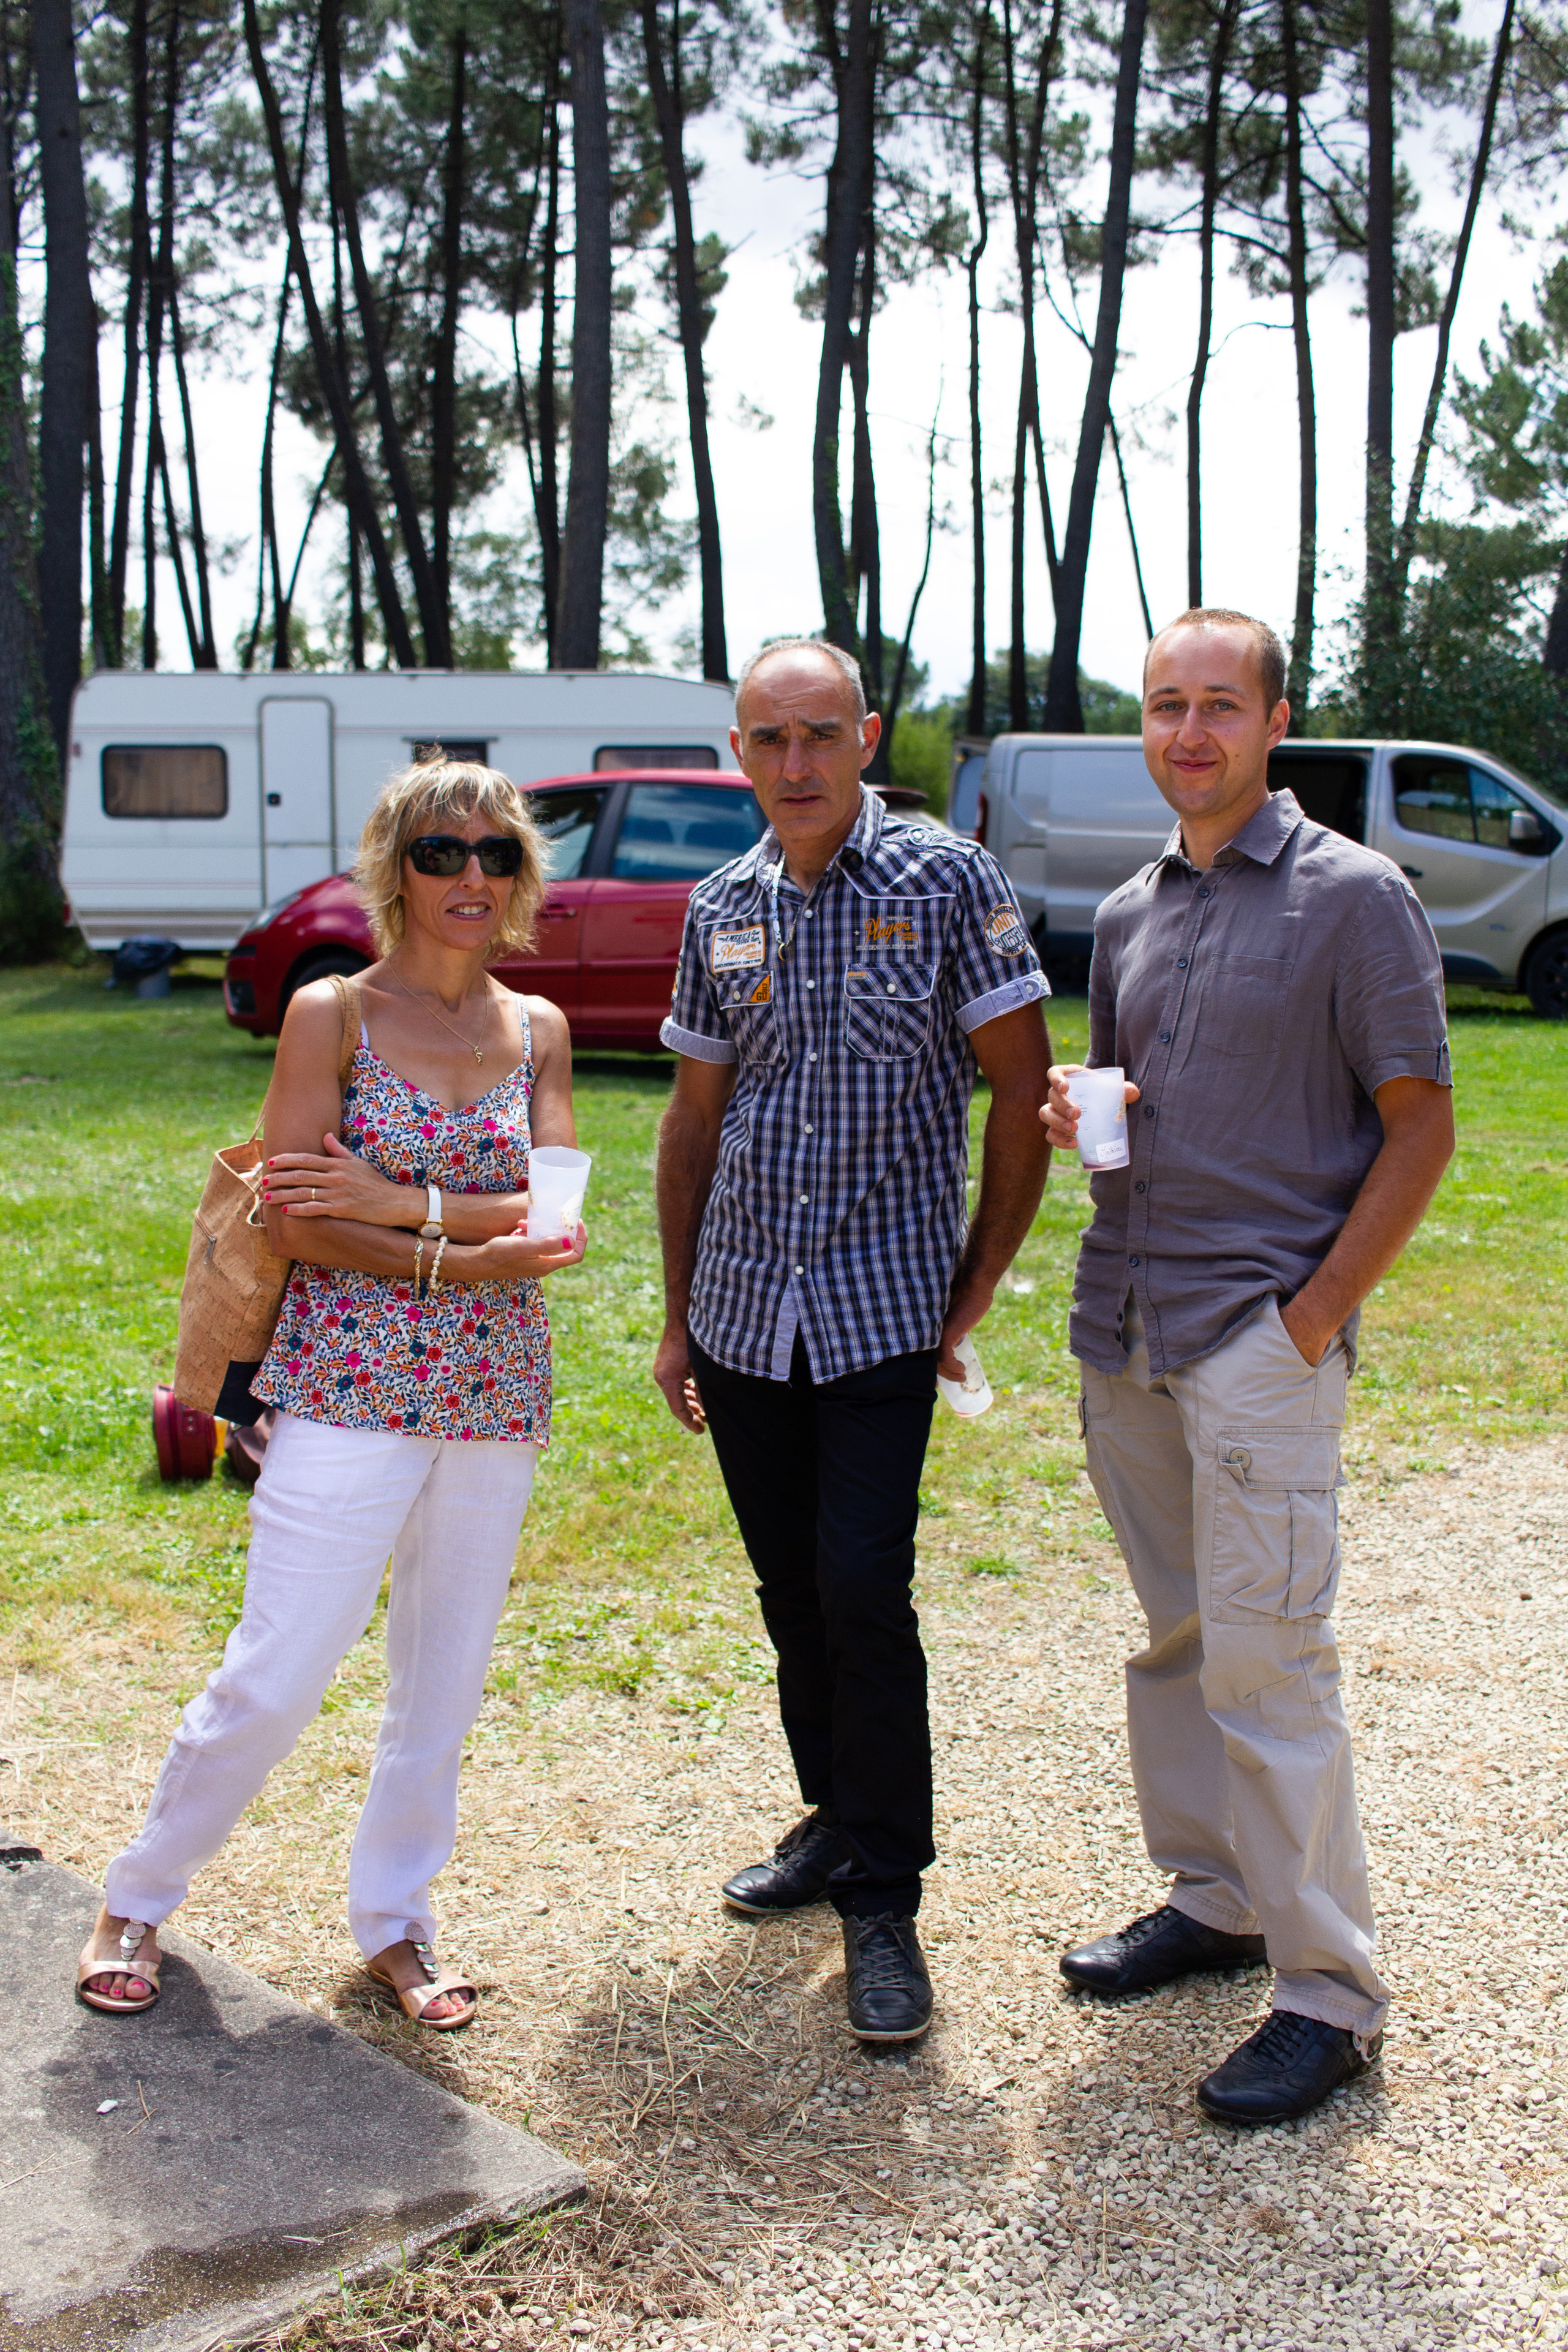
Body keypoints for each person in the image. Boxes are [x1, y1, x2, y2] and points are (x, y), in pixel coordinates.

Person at [77, 753, 586, 2030]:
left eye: (496, 854)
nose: (471, 877)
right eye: (440, 853)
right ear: (395, 870)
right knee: (279, 1664)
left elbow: (555, 1216)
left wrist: (400, 1202)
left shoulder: (539, 1030)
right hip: (344, 1385)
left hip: (490, 1391)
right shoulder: (331, 1015)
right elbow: (298, 1221)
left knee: (443, 1682)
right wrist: (469, 1242)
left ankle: (396, 1924)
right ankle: (136, 1896)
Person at [1041, 608, 1453, 2125]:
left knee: (1272, 1666)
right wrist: (1086, 1116)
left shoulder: (1356, 899)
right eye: (1162, 706)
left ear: (1276, 721)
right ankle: (1213, 1902)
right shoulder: (1131, 909)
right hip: (1129, 1325)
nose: (1188, 733)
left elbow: (1418, 1124)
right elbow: (1133, 1108)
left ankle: (1328, 1994)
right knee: (1176, 1639)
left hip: (1253, 1336)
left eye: (1218, 706)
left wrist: (1310, 1318)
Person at [652, 638, 1053, 2043]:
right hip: (745, 1314)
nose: (794, 765)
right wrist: (673, 1318)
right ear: (737, 750)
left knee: (860, 1588)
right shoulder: (721, 907)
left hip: (882, 1311)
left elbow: (1019, 1094)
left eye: (819, 735)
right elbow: (692, 1121)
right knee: (788, 1595)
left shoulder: (948, 881)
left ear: (866, 736)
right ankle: (830, 1815)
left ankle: (883, 1898)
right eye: (767, 739)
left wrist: (976, 1282)